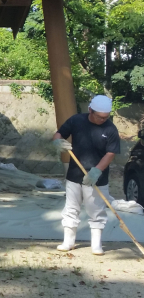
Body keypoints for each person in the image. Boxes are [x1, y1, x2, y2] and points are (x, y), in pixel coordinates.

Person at [51, 94, 120, 255]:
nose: (102, 120)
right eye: (99, 117)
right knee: (71, 208)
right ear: (90, 110)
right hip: (74, 174)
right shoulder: (76, 120)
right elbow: (59, 134)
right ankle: (68, 241)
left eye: (105, 117)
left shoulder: (110, 129)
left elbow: (110, 153)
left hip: (97, 177)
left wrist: (97, 171)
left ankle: (96, 244)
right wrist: (57, 141)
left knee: (96, 210)